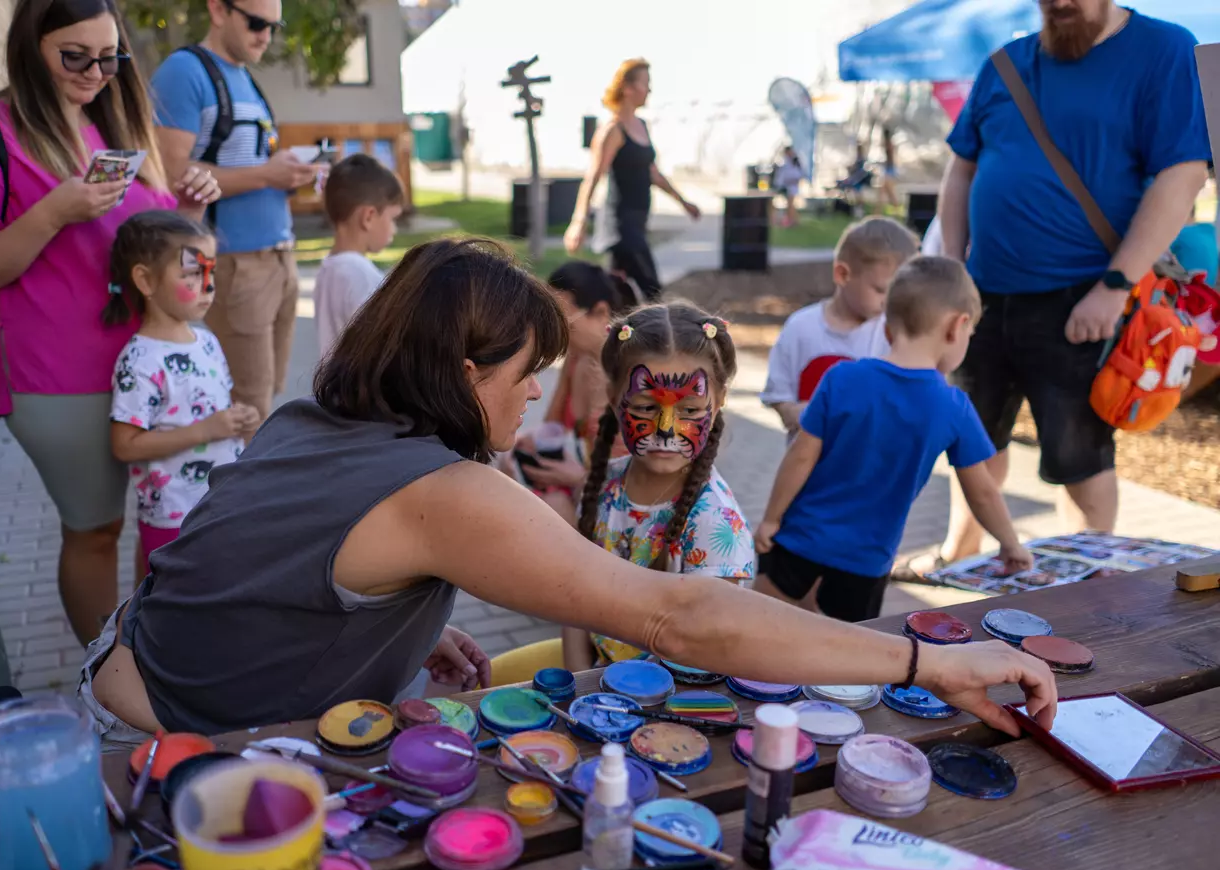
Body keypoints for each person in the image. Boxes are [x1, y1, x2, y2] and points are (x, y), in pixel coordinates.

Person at [79, 238, 1058, 746]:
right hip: (163, 750)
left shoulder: (310, 419)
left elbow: (267, 568)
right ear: (464, 373)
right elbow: (679, 615)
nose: (540, 393)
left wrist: (396, 623)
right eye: (524, 373)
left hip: (121, 676)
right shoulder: (443, 487)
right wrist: (922, 663)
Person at [0, 0, 221, 645]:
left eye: (109, 56)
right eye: (75, 56)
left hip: (153, 361)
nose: (95, 71)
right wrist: (53, 212)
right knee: (94, 529)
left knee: (170, 520)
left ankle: (157, 656)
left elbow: (151, 232)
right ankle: (105, 674)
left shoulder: (112, 118)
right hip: (59, 374)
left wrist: (190, 204)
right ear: (31, 48)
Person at [897, 0, 1211, 581]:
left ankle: (1086, 583)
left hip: (1081, 299)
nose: (1060, 5)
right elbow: (962, 169)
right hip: (981, 299)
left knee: (1079, 458)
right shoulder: (1006, 63)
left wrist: (1115, 287)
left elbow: (1183, 172)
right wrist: (950, 276)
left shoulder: (1162, 48)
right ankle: (960, 556)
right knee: (974, 442)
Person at [755, 257, 1034, 622]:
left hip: (797, 540)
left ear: (887, 327)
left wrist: (771, 520)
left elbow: (800, 457)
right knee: (839, 658)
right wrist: (1011, 544)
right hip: (865, 563)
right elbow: (982, 492)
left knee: (759, 624)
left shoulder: (842, 378)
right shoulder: (952, 407)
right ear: (957, 326)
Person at [150, 0, 318, 440]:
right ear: (218, 10)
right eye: (258, 22)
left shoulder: (244, 78)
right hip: (232, 260)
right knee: (250, 405)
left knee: (268, 395)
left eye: (274, 26)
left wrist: (287, 173)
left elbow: (245, 166)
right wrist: (268, 173)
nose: (267, 35)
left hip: (278, 260)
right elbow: (171, 175)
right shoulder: (185, 71)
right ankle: (247, 504)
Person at [566, 302, 756, 670]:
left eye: (688, 411)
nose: (666, 429)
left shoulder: (715, 527)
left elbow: (704, 656)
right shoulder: (603, 487)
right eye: (646, 407)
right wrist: (579, 685)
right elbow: (575, 603)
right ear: (613, 396)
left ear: (718, 403)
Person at [105, 211, 258, 579]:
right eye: (192, 273)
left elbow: (209, 409)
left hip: (221, 502)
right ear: (145, 280)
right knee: (176, 602)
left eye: (211, 272)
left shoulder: (206, 340)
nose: (207, 286)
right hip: (173, 514)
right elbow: (125, 445)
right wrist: (206, 430)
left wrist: (240, 419)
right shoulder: (140, 360)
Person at [503, 262, 640, 525]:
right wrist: (523, 441)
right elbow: (552, 427)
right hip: (576, 485)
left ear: (601, 312)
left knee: (545, 508)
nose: (550, 331)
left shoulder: (631, 377)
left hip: (613, 504)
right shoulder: (576, 358)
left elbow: (633, 480)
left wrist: (578, 478)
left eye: (560, 321)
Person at [761, 217, 918, 437]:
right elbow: (779, 396)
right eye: (881, 290)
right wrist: (799, 414)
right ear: (842, 274)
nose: (889, 302)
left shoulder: (894, 334)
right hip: (809, 467)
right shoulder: (801, 328)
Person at [564, 59, 701, 300]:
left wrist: (683, 203)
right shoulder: (613, 130)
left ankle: (606, 333)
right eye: (645, 83)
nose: (649, 90)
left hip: (638, 222)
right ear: (627, 88)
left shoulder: (641, 126)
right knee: (651, 289)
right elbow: (592, 178)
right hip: (620, 226)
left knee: (617, 295)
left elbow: (653, 174)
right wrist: (579, 221)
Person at [313, 153, 406, 366]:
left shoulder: (330, 267)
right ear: (368, 217)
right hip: (360, 394)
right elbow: (381, 344)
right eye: (392, 219)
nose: (394, 229)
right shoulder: (358, 272)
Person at [773, 148, 805, 228]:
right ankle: (792, 220)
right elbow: (782, 174)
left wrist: (791, 180)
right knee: (790, 205)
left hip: (792, 186)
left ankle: (792, 221)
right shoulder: (785, 161)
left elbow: (799, 174)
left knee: (790, 204)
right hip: (785, 186)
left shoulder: (795, 161)